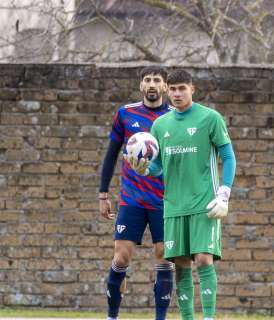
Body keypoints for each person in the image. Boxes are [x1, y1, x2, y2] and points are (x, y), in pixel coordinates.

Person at [127, 69, 236, 320]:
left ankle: (208, 318)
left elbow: (228, 157)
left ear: (192, 89)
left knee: (204, 259)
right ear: (167, 90)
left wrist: (224, 194)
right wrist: (142, 167)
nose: (176, 94)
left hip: (204, 203)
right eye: (173, 89)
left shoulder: (210, 118)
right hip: (174, 205)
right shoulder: (160, 125)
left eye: (181, 89)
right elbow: (157, 167)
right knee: (181, 265)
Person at [98, 66, 174, 320]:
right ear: (141, 85)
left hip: (165, 201)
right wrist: (103, 194)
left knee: (164, 257)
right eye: (147, 80)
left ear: (165, 87)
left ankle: (160, 318)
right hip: (132, 200)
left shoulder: (175, 117)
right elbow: (110, 156)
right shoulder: (125, 114)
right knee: (121, 258)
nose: (152, 84)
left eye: (157, 81)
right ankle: (112, 316)